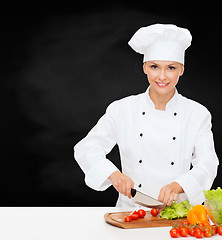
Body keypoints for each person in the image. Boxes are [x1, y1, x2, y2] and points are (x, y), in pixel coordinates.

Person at [74, 24, 219, 207]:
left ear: (181, 70)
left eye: (171, 68)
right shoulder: (122, 109)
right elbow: (87, 148)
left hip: (176, 213)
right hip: (131, 211)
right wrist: (114, 174)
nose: (162, 76)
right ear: (144, 68)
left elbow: (208, 163)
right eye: (155, 67)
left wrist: (178, 186)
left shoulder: (197, 114)